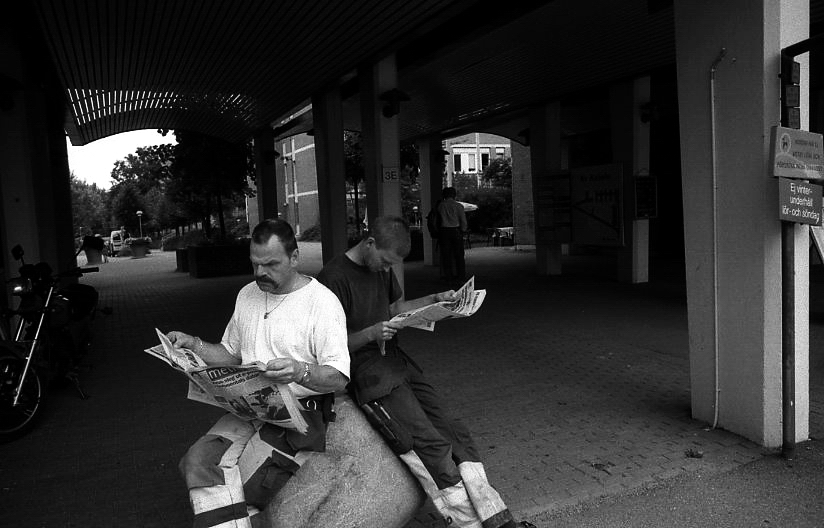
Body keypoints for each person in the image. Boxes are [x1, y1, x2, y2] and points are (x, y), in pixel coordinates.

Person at [317, 216, 534, 528]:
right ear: (370, 243)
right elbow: (328, 348)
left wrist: (435, 301)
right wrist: (371, 333)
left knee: (454, 430)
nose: (386, 268)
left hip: (396, 362)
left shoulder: (380, 267)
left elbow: (395, 309)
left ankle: (497, 518)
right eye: (385, 261)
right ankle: (469, 524)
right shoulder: (332, 278)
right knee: (430, 444)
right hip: (369, 376)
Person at [168, 219, 350, 528]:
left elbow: (339, 378)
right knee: (196, 462)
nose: (260, 272)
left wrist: (300, 371)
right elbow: (230, 353)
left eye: (271, 264)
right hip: (249, 408)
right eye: (255, 264)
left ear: (294, 258)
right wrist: (194, 345)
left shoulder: (322, 303)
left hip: (299, 414)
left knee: (248, 485)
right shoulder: (247, 294)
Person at [437, 186, 468, 283]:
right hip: (456, 231)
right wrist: (463, 230)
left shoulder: (441, 206)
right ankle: (461, 276)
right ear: (454, 195)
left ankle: (448, 277)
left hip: (444, 231)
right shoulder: (459, 206)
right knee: (459, 255)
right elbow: (463, 221)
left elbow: (438, 219)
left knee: (446, 255)